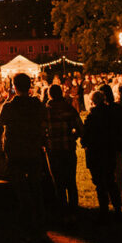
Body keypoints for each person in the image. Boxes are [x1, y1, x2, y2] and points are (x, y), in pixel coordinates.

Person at [0, 73, 49, 243]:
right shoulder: (36, 104)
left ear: (14, 86)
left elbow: (0, 120)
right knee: (36, 189)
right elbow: (44, 117)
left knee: (21, 192)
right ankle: (40, 226)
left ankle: (27, 228)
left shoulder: (10, 105)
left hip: (16, 152)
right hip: (33, 149)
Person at [81, 90, 122, 221]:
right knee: (111, 180)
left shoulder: (92, 117)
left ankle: (104, 210)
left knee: (100, 183)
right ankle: (117, 209)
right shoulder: (111, 114)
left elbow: (85, 136)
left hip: (95, 153)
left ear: (92, 102)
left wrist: (84, 141)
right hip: (109, 150)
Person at [45, 84, 83, 221]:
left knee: (58, 181)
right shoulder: (69, 109)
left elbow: (40, 129)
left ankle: (62, 209)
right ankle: (74, 209)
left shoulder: (46, 111)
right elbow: (80, 128)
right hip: (68, 148)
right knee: (71, 180)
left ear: (49, 95)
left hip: (53, 149)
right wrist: (73, 136)